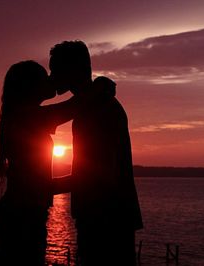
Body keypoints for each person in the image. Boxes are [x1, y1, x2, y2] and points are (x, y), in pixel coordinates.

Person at [49, 41, 143, 266]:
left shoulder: (98, 108)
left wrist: (46, 186)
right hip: (104, 214)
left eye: (55, 70)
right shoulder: (92, 104)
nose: (52, 77)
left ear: (73, 69)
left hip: (106, 218)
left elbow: (99, 175)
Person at [0, 60, 76, 265]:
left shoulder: (23, 115)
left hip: (21, 214)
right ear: (30, 86)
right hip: (22, 217)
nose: (50, 81)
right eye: (44, 78)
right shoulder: (28, 116)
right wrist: (80, 180)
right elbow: (74, 107)